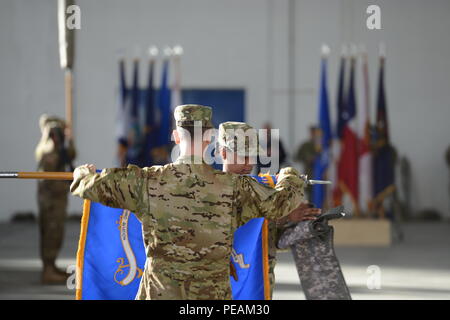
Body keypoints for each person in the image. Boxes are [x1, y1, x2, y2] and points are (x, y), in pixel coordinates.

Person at [70, 104, 305, 300]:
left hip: (161, 291)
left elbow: (87, 186)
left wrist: (83, 173)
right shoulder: (235, 187)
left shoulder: (146, 181)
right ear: (210, 138)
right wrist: (289, 176)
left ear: (175, 136)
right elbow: (283, 202)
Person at [217, 121, 321, 298]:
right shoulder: (206, 190)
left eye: (252, 157)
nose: (248, 164)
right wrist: (289, 179)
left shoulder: (263, 191)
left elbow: (266, 239)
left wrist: (288, 218)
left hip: (254, 287)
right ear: (223, 153)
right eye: (242, 156)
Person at [35, 115, 76, 284]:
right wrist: (67, 187)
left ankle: (51, 267)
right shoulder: (49, 150)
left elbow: (72, 156)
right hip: (51, 201)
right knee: (51, 234)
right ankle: (48, 271)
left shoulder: (59, 148)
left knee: (56, 234)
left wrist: (69, 141)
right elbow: (47, 180)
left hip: (56, 199)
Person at [294, 126, 321, 201]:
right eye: (312, 133)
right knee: (310, 196)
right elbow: (296, 157)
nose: (313, 135)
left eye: (314, 133)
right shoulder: (305, 145)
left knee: (321, 196)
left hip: (321, 175)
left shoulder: (321, 146)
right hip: (309, 174)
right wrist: (306, 158)